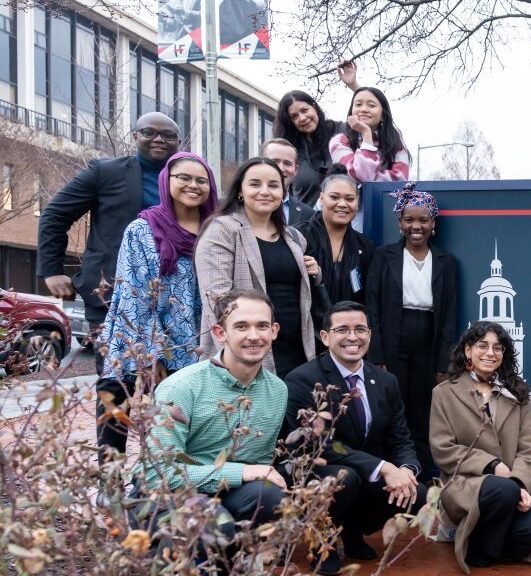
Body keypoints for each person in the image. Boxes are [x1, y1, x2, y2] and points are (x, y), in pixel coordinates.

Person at [141, 290, 290, 563]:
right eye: (241, 326)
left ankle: (232, 565)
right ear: (220, 333)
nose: (254, 336)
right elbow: (158, 475)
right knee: (213, 523)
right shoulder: (181, 387)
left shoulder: (277, 391)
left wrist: (249, 473)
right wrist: (244, 471)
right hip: (169, 499)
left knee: (269, 494)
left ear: (274, 331)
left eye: (262, 326)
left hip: (227, 494)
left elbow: (259, 462)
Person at [284, 301, 427, 576]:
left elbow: (401, 438)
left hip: (365, 475)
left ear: (370, 335)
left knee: (416, 492)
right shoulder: (303, 381)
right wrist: (385, 468)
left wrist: (406, 471)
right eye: (343, 330)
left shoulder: (386, 381)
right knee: (344, 477)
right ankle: (321, 541)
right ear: (325, 337)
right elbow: (318, 446)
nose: (353, 337)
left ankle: (352, 533)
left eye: (360, 329)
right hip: (322, 472)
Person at [95, 152, 219, 456]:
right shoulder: (143, 229)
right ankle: (111, 496)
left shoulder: (216, 231)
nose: (193, 185)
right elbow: (133, 295)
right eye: (184, 178)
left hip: (194, 348)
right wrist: (152, 356)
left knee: (169, 435)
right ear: (167, 181)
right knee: (115, 423)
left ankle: (161, 495)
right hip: (137, 342)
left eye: (201, 180)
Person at [430, 321, 531, 574]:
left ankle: (480, 539)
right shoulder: (444, 393)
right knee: (501, 490)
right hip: (466, 484)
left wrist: (520, 483)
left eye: (498, 348)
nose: (490, 353)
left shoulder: (517, 393)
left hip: (513, 484)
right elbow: (442, 449)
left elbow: (529, 451)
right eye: (483, 346)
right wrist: (491, 465)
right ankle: (482, 552)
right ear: (468, 351)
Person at [37, 112, 182, 329]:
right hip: (112, 294)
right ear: (135, 136)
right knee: (115, 363)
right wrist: (51, 270)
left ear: (178, 142)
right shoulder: (105, 172)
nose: (159, 139)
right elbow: (55, 215)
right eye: (149, 132)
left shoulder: (188, 180)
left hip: (173, 297)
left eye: (168, 135)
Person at [195, 157, 325, 376]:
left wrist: (316, 273)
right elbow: (216, 301)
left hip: (296, 352)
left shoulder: (293, 237)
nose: (265, 191)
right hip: (246, 353)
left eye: (273, 185)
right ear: (240, 191)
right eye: (255, 184)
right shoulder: (222, 231)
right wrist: (240, 357)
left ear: (283, 193)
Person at [366, 183, 459, 472]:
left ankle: (418, 473)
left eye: (423, 220)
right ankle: (389, 470)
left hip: (428, 339)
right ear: (400, 222)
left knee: (422, 409)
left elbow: (449, 316)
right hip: (395, 336)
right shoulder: (384, 257)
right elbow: (373, 308)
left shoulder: (446, 263)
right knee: (393, 405)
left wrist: (444, 362)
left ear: (433, 224)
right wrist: (377, 356)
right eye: (409, 219)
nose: (415, 226)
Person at [300, 174, 375, 305]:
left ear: (357, 203)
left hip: (348, 323)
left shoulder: (365, 247)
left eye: (350, 199)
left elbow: (368, 298)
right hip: (308, 323)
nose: (342, 204)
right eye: (334, 197)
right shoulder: (300, 237)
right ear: (321, 199)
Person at [329, 87, 411, 186]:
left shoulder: (394, 140)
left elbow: (400, 180)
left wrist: (367, 176)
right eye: (358, 104)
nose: (363, 109)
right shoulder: (339, 141)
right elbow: (359, 176)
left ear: (383, 116)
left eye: (371, 105)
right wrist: (366, 134)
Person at [272, 90, 341, 205]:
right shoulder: (290, 151)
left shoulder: (340, 132)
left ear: (314, 106)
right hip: (304, 220)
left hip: (346, 218)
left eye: (304, 110)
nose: (302, 118)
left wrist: (353, 85)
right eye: (294, 116)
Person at [259, 138, 317, 226]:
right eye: (274, 161)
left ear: (296, 170)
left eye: (287, 163)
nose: (281, 168)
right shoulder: (241, 210)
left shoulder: (309, 216)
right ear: (260, 164)